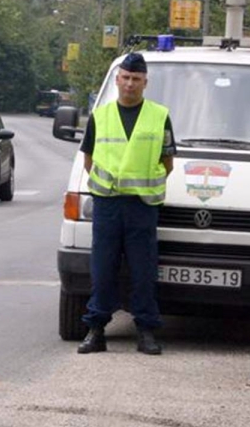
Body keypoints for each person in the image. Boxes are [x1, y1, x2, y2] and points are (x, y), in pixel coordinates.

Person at [77, 53, 176, 355]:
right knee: (102, 269)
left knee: (143, 270)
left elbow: (168, 162)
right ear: (117, 80)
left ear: (145, 83)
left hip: (142, 205)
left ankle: (145, 331)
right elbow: (89, 160)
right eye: (126, 78)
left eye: (136, 79)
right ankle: (96, 331)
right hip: (107, 204)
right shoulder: (100, 116)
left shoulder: (159, 116)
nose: (130, 84)